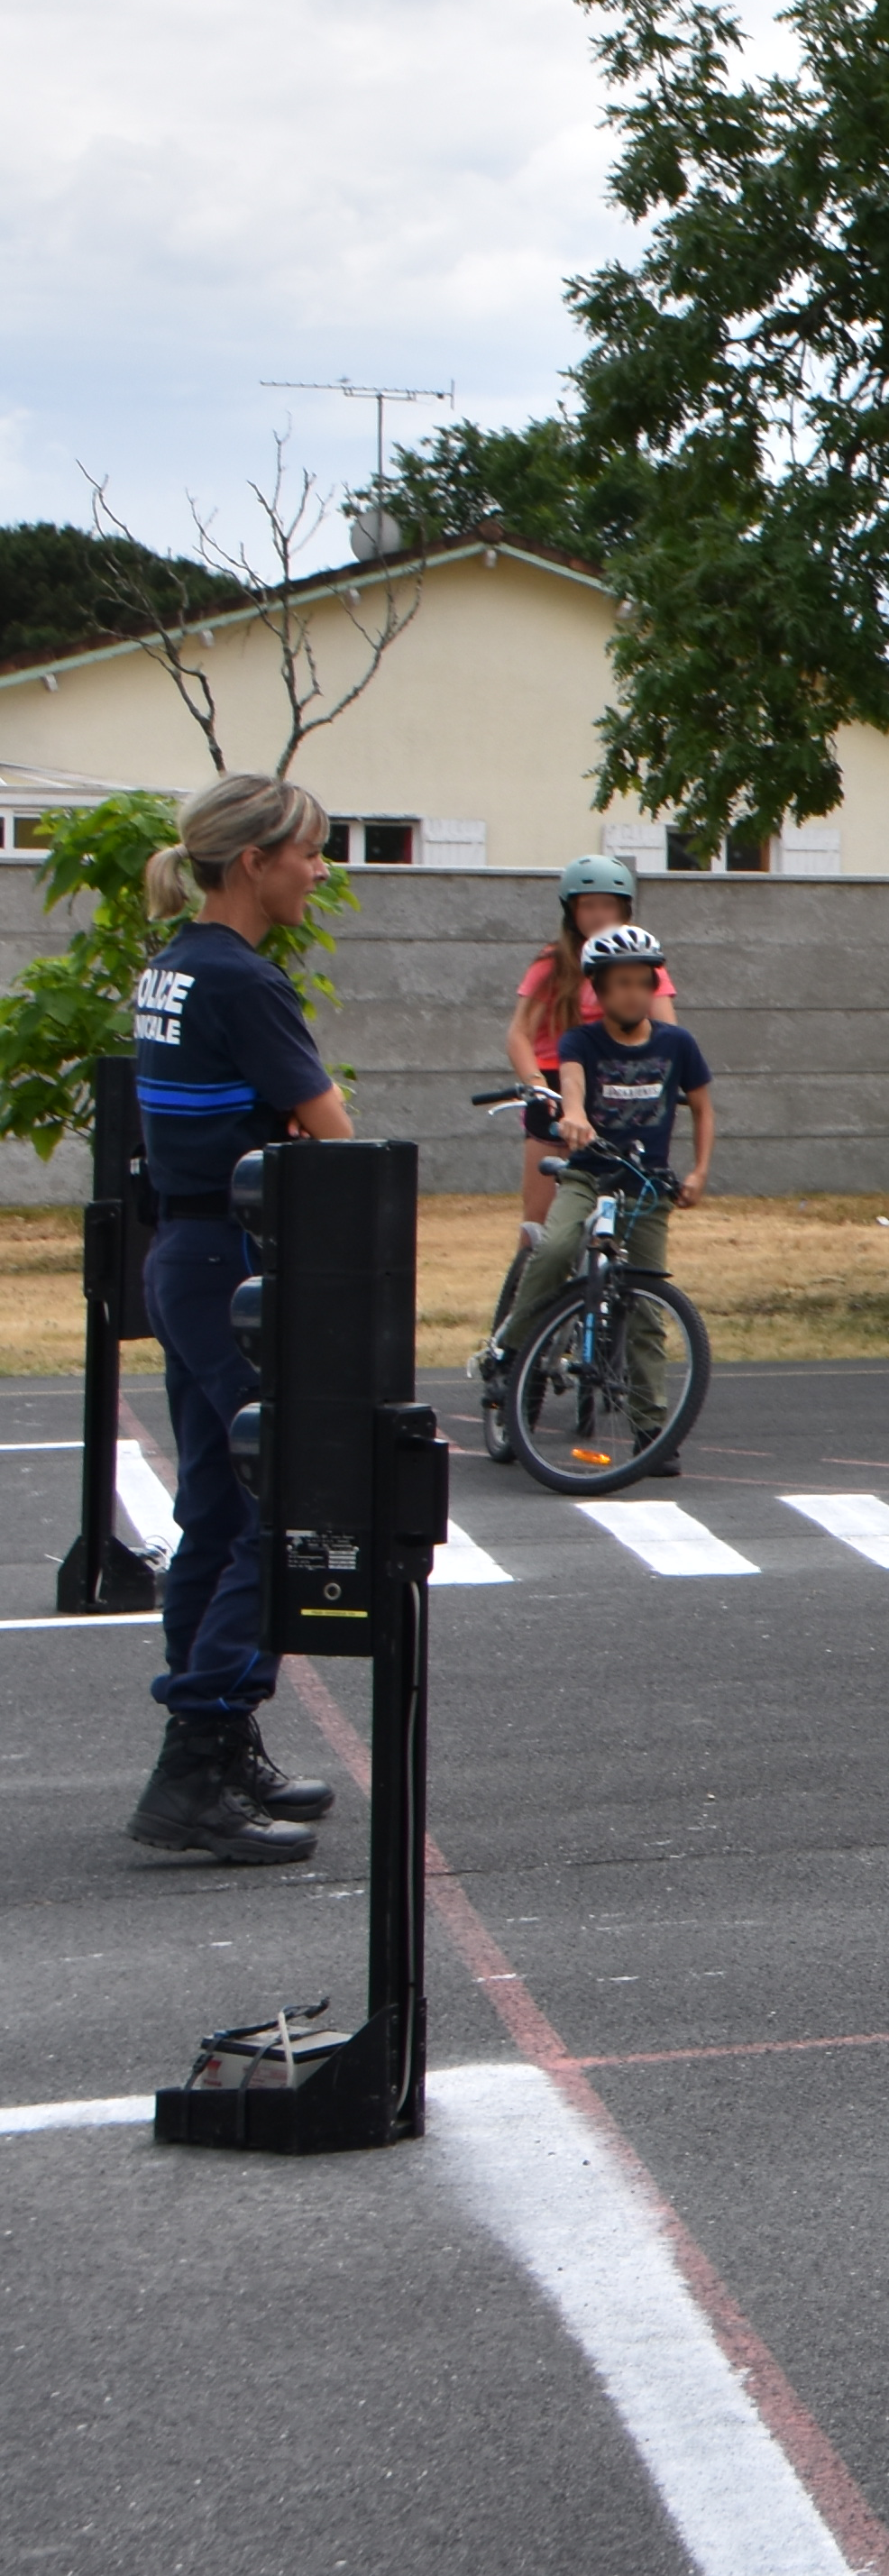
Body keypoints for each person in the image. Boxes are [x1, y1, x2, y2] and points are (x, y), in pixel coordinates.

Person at [122, 773, 353, 1864]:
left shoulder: (171, 966)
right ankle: (198, 1750)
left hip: (183, 1249)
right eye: (307, 851)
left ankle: (219, 1747)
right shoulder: (243, 980)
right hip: (234, 1264)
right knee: (283, 1498)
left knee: (215, 1505)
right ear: (253, 860)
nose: (319, 869)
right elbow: (331, 1127)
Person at [484, 924, 711, 1443]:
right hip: (590, 1174)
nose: (632, 993)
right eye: (619, 984)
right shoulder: (580, 1041)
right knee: (556, 1245)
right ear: (599, 992)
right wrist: (575, 1115)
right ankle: (512, 1349)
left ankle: (652, 1430)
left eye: (640, 983)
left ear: (653, 987)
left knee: (648, 1308)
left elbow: (702, 1107)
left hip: (647, 1186)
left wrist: (698, 1171)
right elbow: (573, 1084)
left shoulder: (678, 1044)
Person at [488, 855, 662, 1352]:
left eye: (608, 906)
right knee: (539, 1229)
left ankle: (613, 1315)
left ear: (624, 909)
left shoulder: (641, 962)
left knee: (625, 1220)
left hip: (615, 1084)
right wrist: (534, 1087)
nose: (598, 916)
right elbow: (519, 1033)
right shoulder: (553, 962)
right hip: (552, 1083)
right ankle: (520, 1344)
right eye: (587, 907)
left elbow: (666, 1029)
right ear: (572, 912)